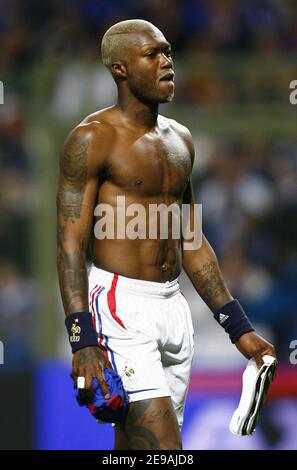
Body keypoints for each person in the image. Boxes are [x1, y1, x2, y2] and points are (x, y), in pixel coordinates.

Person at [56, 19, 276, 450]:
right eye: (153, 55)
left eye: (169, 53)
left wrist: (238, 328)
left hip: (174, 309)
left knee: (139, 453)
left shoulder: (181, 140)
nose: (167, 63)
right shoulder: (90, 138)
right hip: (120, 306)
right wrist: (82, 339)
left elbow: (191, 240)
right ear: (120, 69)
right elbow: (69, 243)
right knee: (164, 451)